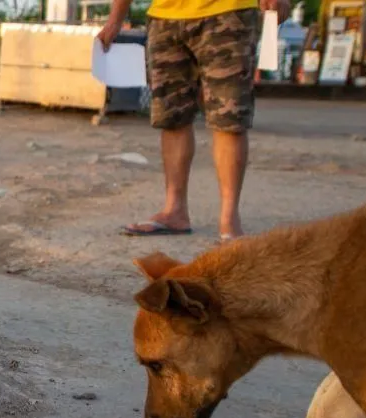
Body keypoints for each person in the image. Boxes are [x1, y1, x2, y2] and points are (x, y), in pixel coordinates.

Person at [99, 0, 288, 240]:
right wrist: (115, 19)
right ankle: (174, 211)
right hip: (164, 16)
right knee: (172, 118)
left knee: (229, 117)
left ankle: (229, 222)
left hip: (228, 13)